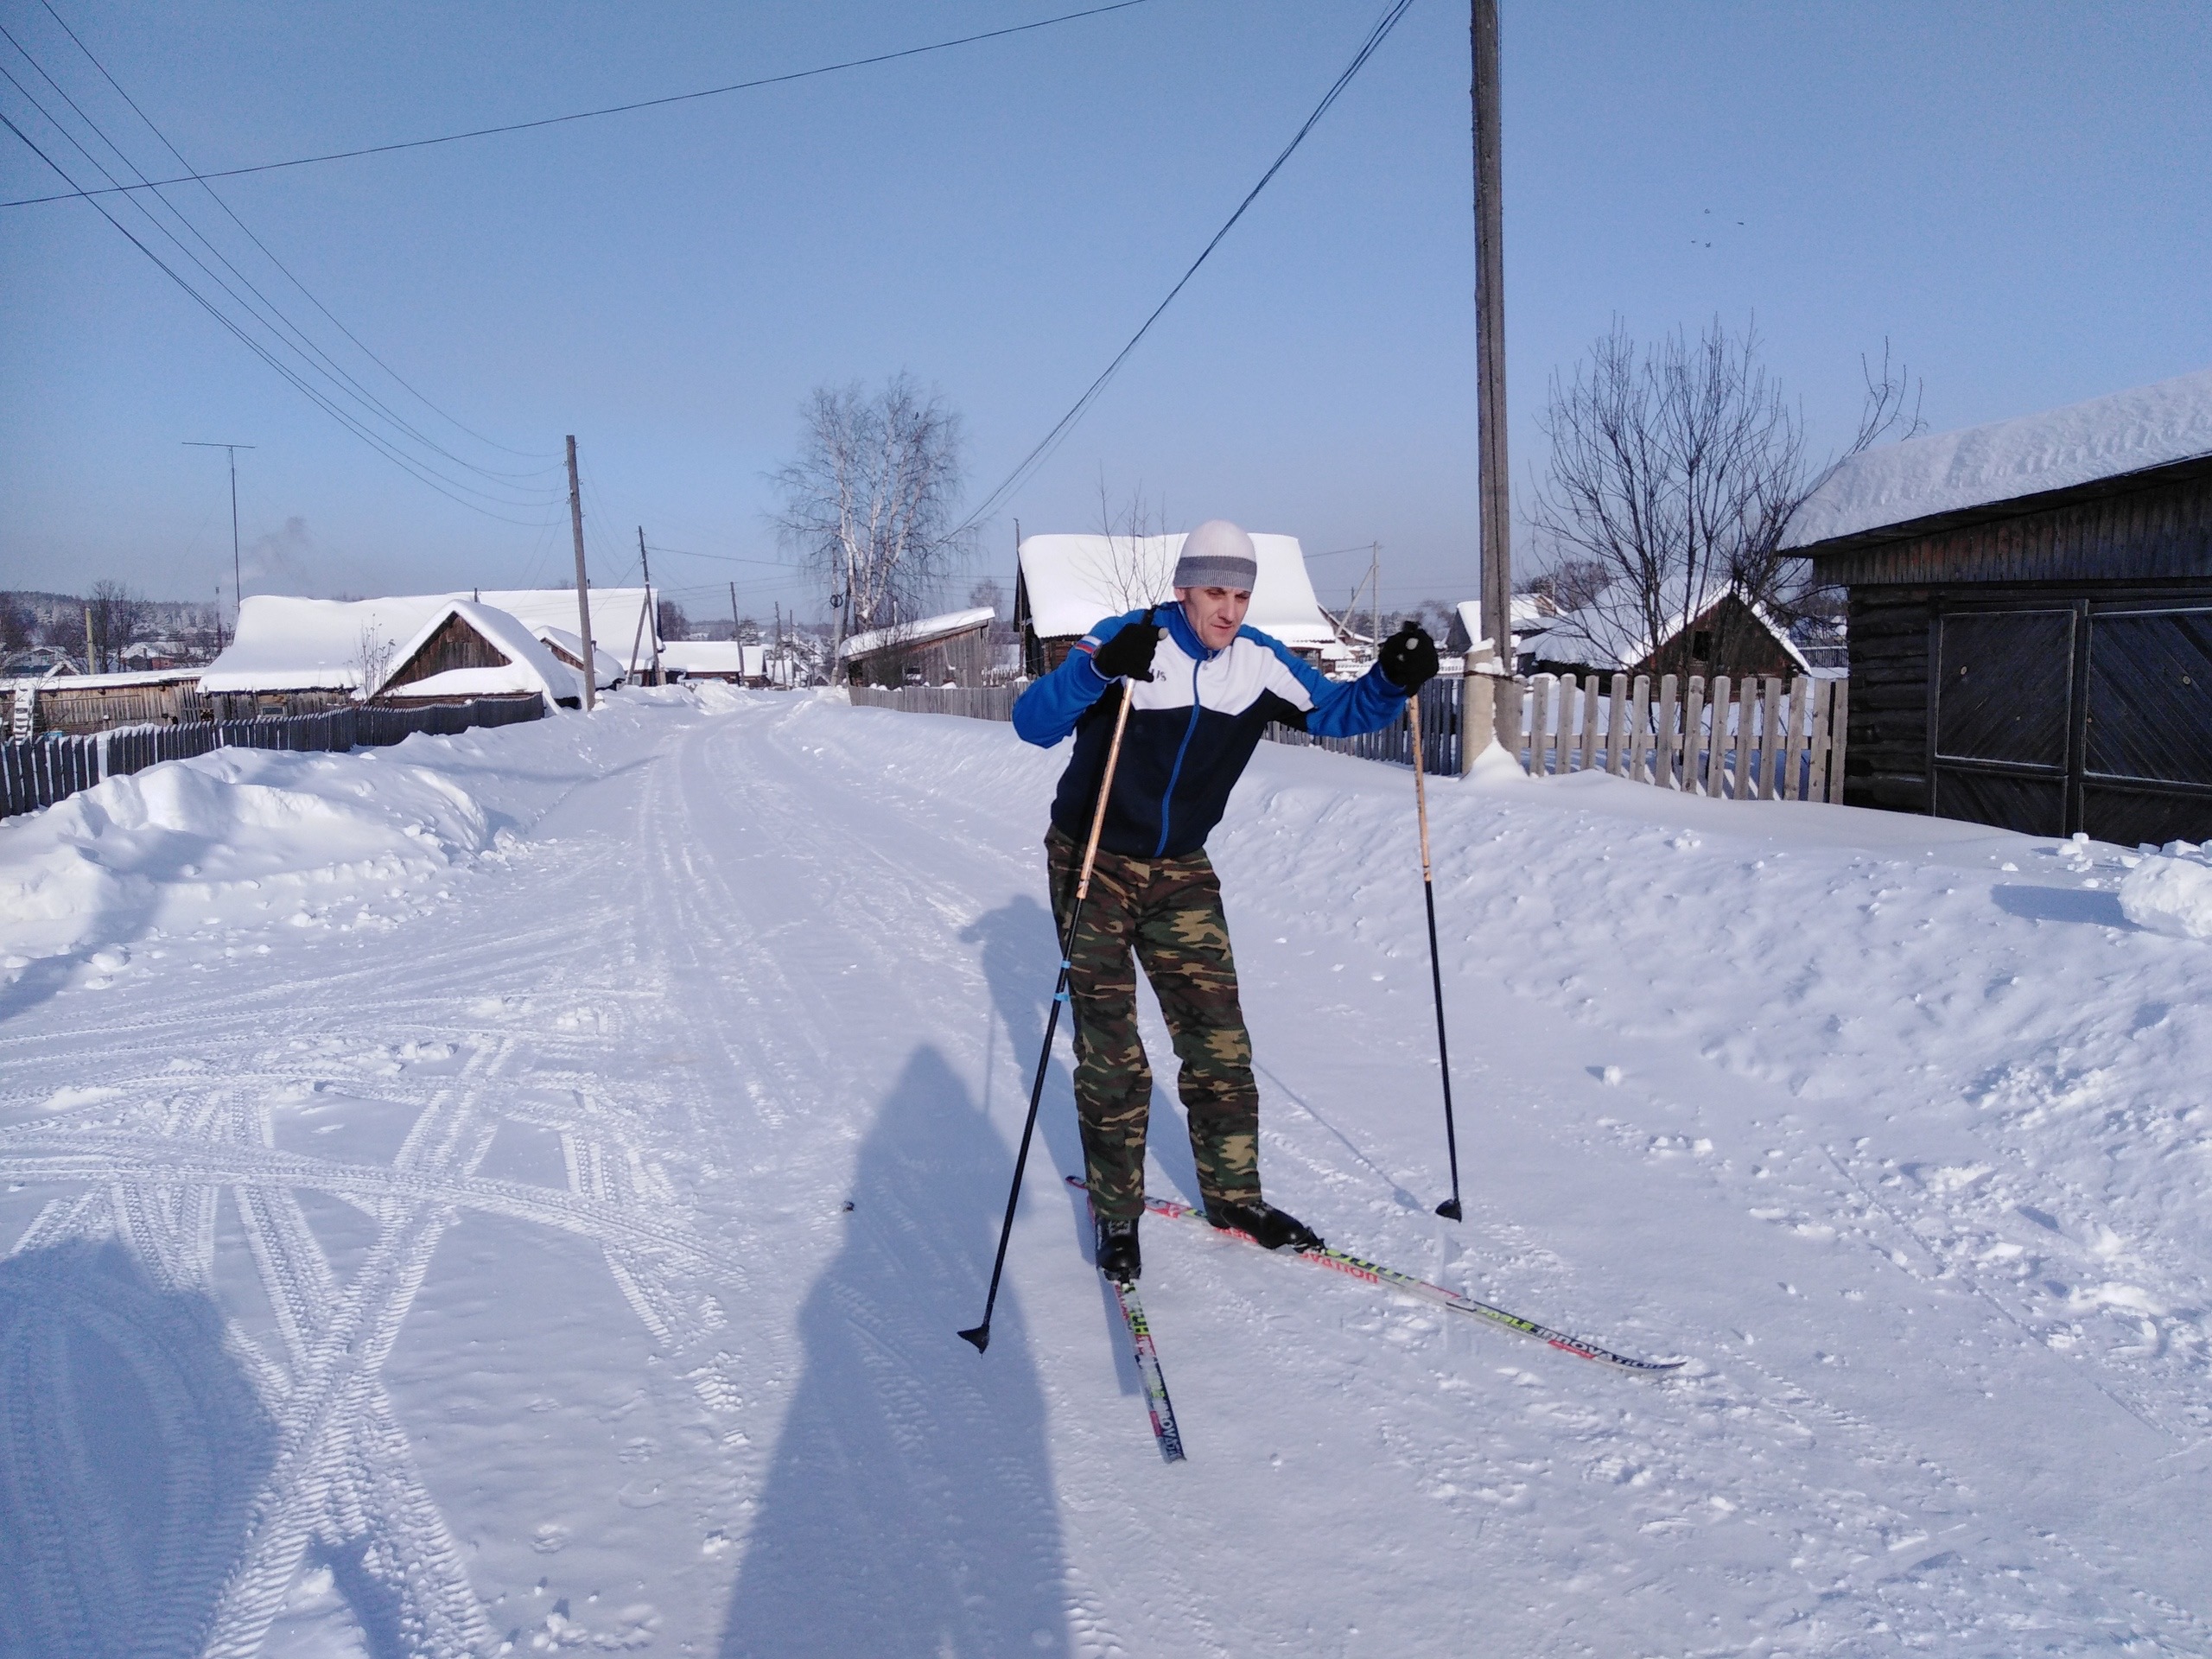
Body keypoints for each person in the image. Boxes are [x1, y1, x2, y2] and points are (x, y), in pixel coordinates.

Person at [1011, 519, 1440, 1284]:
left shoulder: (1257, 662)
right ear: (1184, 589)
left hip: (1179, 867)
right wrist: (1100, 670)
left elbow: (1339, 713)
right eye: (1216, 592)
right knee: (1113, 1052)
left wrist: (1393, 680)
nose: (1230, 610)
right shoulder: (1128, 640)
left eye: (1242, 594)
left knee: (1220, 1045)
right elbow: (1032, 724)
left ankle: (1235, 1198)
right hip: (1093, 861)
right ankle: (1117, 1207)